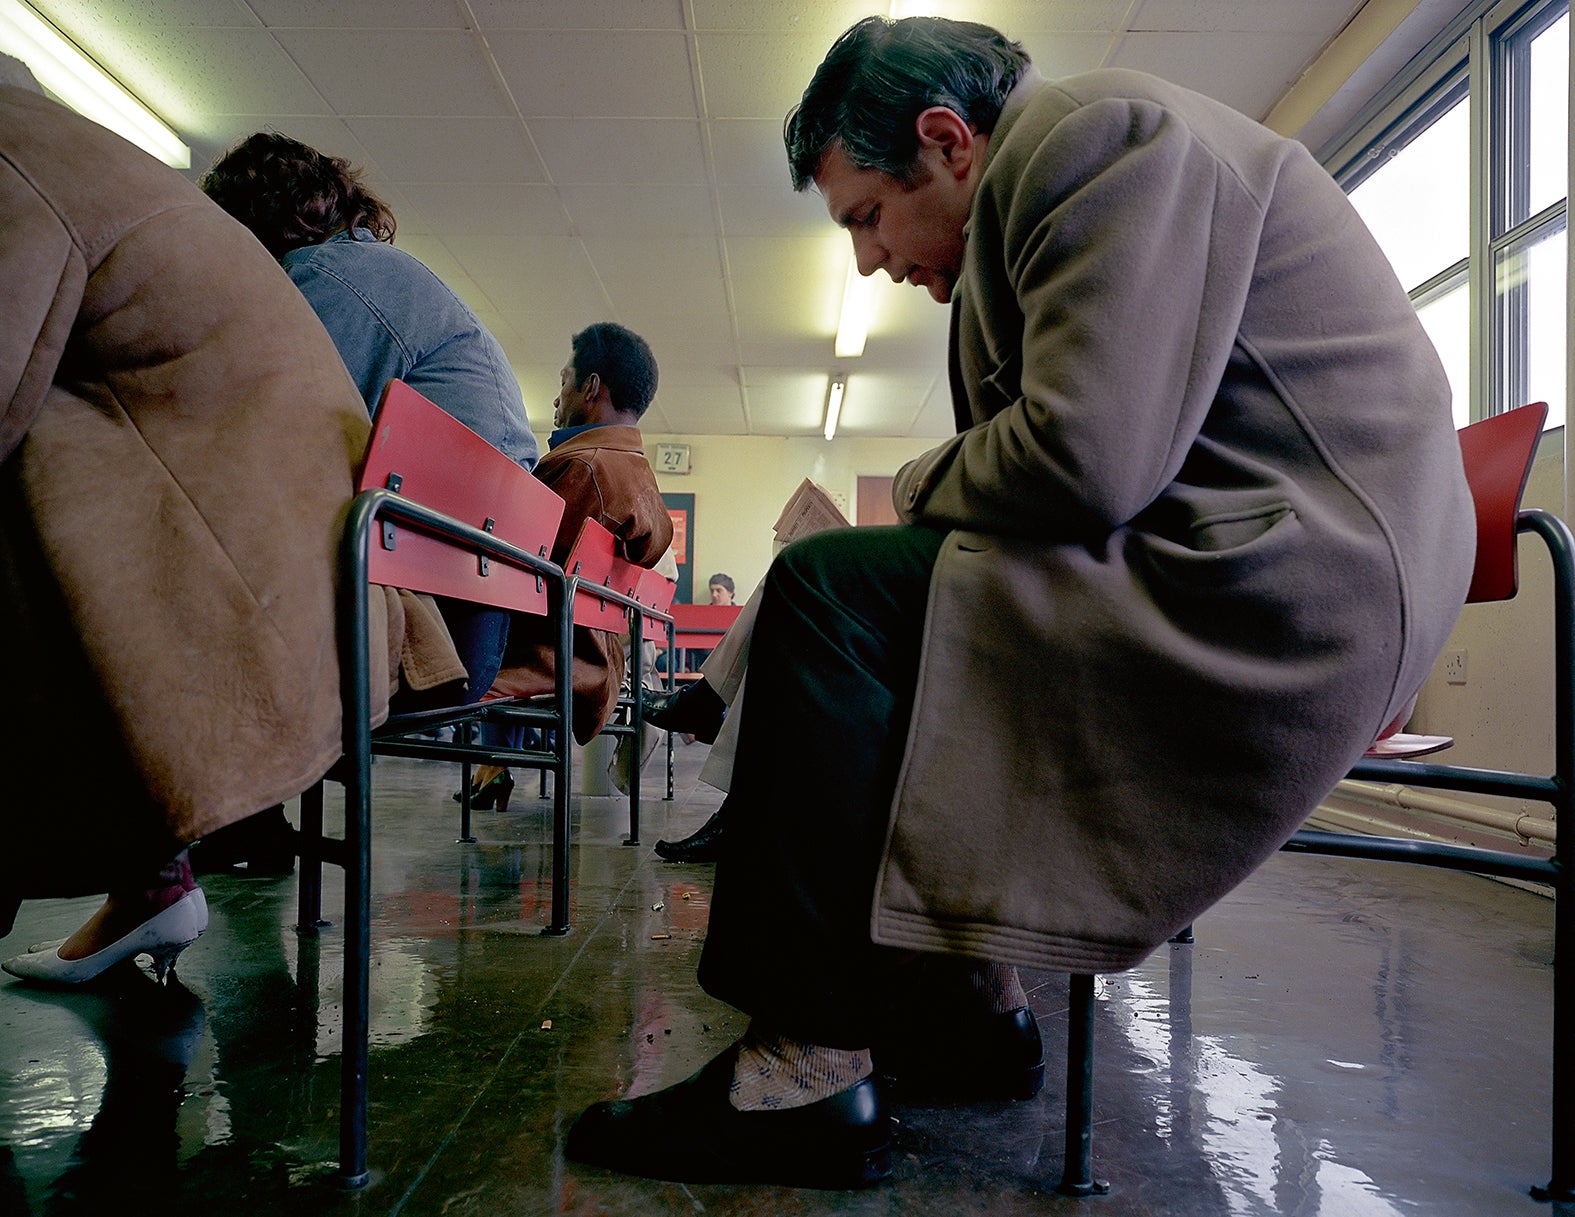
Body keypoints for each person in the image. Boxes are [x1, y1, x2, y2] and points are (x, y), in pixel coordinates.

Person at [564, 15, 1476, 1190]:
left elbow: (1083, 459)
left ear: (946, 141)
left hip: (1290, 589)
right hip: (1269, 558)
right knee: (881, 603)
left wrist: (912, 480)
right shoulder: (1051, 177)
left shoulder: (1093, 141)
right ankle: (963, 1011)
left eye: (864, 217)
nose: (869, 260)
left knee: (827, 592)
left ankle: (799, 1066)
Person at [0, 61, 424, 982]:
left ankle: (153, 873)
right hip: (366, 599)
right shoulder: (124, 181)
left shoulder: (17, 153)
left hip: (298, 619)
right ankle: (152, 879)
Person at [463, 323, 674, 809]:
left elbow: (522, 582)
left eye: (563, 382)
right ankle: (496, 763)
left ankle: (493, 762)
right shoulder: (638, 475)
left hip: (556, 656)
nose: (557, 399)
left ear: (591, 387)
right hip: (598, 654)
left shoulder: (579, 467)